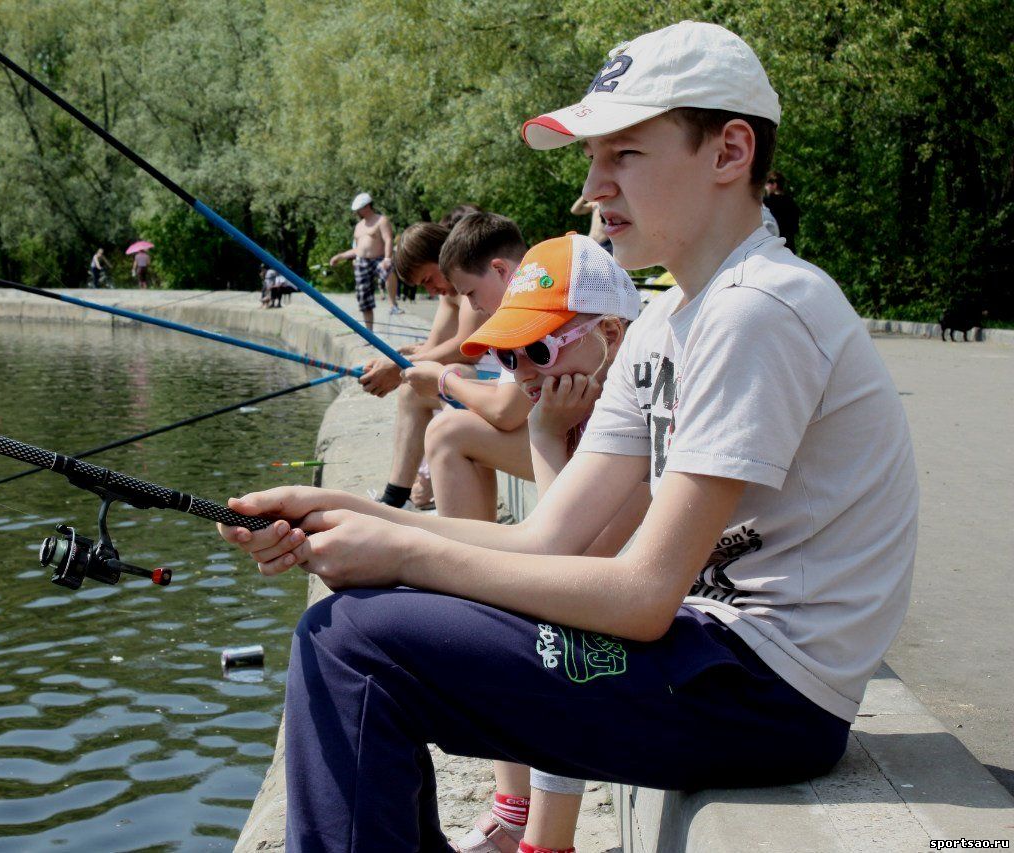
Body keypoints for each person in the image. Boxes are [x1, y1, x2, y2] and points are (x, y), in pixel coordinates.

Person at [216, 21, 918, 853]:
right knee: (358, 629)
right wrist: (335, 507)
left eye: (622, 155)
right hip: (715, 660)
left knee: (355, 645)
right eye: (592, 159)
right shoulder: (669, 318)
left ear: (730, 151)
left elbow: (642, 596)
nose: (590, 188)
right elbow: (552, 537)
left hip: (769, 695)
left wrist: (401, 555)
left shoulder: (759, 307)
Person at [449, 233, 651, 853]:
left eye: (538, 349)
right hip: (648, 601)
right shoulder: (594, 398)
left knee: (554, 622)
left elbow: (568, 566)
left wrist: (542, 434)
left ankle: (540, 838)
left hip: (713, 629)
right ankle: (517, 814)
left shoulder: (644, 413)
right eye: (510, 358)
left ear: (612, 335)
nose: (525, 374)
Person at [400, 212, 536, 522]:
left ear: (499, 269)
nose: (473, 307)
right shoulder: (537, 290)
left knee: (448, 432)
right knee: (461, 419)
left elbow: (506, 411)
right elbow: (511, 393)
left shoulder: (527, 311)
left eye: (471, 294)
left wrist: (443, 379)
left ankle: (468, 557)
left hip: (587, 448)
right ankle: (477, 548)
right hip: (574, 437)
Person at [364, 218, 490, 510]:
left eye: (429, 279)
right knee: (414, 385)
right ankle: (396, 500)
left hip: (500, 376)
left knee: (416, 386)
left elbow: (467, 347)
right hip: (486, 373)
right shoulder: (450, 293)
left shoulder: (469, 283)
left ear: (441, 256)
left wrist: (399, 367)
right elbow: (435, 348)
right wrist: (398, 357)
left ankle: (396, 501)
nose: (432, 290)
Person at [329, 192, 394, 331]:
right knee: (364, 298)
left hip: (379, 259)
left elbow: (388, 239)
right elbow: (357, 249)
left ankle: (393, 304)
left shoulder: (381, 220)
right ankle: (369, 332)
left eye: (358, 209)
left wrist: (387, 258)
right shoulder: (358, 226)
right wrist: (339, 257)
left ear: (367, 206)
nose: (357, 212)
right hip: (362, 262)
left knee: (389, 271)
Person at [763, 169, 800, 250]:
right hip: (789, 246)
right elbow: (795, 228)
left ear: (774, 184)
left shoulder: (767, 202)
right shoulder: (791, 202)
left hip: (772, 245)